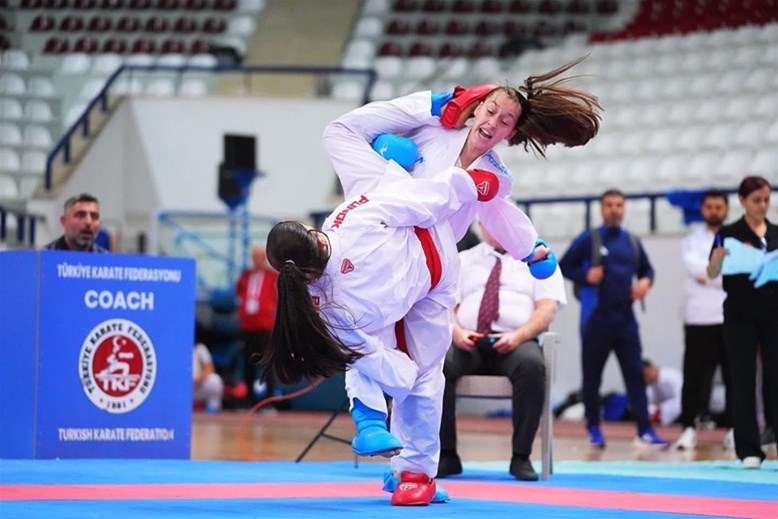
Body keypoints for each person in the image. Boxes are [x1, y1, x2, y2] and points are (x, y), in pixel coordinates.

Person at [317, 60, 599, 503]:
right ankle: (370, 417)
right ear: (476, 106)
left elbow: (501, 216)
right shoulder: (431, 130)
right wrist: (428, 106)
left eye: (505, 121)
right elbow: (352, 132)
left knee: (429, 369)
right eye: (490, 110)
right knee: (362, 327)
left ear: (512, 133)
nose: (493, 122)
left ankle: (415, 475)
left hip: (436, 271)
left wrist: (532, 250)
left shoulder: (496, 176)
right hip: (386, 254)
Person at [258, 163, 504, 506]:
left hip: (402, 304)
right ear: (311, 232)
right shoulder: (348, 219)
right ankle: (414, 471)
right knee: (423, 377)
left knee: (367, 359)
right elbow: (414, 200)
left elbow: (358, 352)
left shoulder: (313, 302)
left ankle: (374, 423)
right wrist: (466, 185)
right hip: (428, 283)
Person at [438, 221, 565, 481]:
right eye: (489, 223)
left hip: (516, 342)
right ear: (482, 226)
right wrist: (457, 332)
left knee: (533, 366)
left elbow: (547, 308)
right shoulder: (463, 259)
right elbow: (445, 305)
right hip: (468, 341)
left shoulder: (538, 259)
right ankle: (446, 455)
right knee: (439, 365)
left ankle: (521, 457)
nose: (495, 229)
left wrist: (518, 336)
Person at [559, 189, 667, 448]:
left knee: (635, 375)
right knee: (592, 377)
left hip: (626, 321)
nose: (614, 210)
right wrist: (586, 276)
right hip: (596, 319)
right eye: (609, 205)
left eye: (619, 205)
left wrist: (645, 283)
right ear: (601, 208)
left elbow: (648, 270)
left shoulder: (632, 241)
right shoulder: (590, 238)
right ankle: (593, 429)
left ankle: (644, 430)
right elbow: (564, 265)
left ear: (625, 208)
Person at [707, 175, 777, 470]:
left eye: (766, 200)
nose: (762, 206)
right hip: (739, 316)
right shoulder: (728, 232)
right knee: (743, 379)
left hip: (773, 314)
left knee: (775, 379)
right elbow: (711, 274)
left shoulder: (776, 233)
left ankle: (772, 436)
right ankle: (748, 447)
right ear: (742, 201)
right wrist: (718, 260)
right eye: (756, 201)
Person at [676, 189, 732, 450]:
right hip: (699, 318)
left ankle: (735, 430)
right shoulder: (691, 240)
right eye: (709, 207)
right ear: (703, 210)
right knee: (694, 377)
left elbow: (735, 273)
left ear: (727, 209)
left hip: (732, 317)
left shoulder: (737, 239)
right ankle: (688, 428)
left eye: (718, 207)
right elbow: (697, 270)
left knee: (735, 377)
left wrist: (711, 273)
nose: (714, 211)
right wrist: (718, 272)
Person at [236, 246, 278, 406]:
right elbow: (239, 293)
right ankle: (249, 400)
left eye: (260, 257)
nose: (257, 260)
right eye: (254, 257)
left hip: (265, 326)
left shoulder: (272, 277)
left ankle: (268, 401)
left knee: (267, 365)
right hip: (248, 326)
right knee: (247, 365)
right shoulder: (245, 276)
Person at [42, 193, 108, 252]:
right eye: (80, 215)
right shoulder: (43, 257)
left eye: (94, 216)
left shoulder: (107, 261)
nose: (88, 222)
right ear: (64, 221)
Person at [643, 359, 683, 427]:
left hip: (678, 410)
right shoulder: (651, 384)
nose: (646, 378)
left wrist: (661, 409)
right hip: (662, 412)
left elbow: (681, 400)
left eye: (646, 374)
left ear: (652, 368)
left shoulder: (672, 377)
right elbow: (649, 403)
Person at [193, 342, 224, 413]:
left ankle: (212, 408)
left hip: (197, 385)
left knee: (215, 380)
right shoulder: (175, 348)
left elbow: (209, 367)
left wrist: (200, 378)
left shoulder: (199, 347)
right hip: (181, 388)